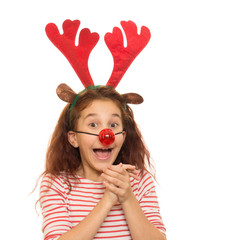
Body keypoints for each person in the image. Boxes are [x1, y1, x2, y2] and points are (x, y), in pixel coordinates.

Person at [39, 19, 166, 240]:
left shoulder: (139, 181)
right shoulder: (57, 183)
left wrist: (127, 197)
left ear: (123, 137)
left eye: (113, 125)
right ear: (73, 138)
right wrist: (108, 199)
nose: (104, 135)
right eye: (93, 124)